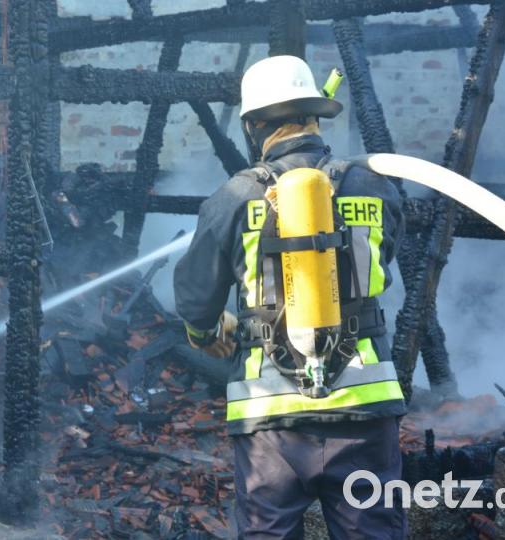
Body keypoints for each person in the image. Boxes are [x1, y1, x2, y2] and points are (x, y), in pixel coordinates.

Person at [173, 55, 407, 539]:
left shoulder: (235, 196)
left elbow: (196, 296)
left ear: (253, 126)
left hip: (270, 420)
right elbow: (384, 259)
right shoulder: (374, 185)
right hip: (364, 409)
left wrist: (205, 331)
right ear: (315, 116)